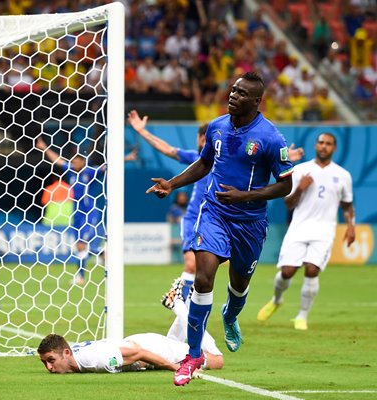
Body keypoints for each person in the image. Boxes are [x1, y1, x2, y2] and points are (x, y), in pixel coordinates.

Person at [146, 71, 294, 386]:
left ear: (257, 101)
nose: (232, 96)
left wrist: (247, 196)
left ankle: (230, 315)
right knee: (202, 278)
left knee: (238, 286)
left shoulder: (270, 138)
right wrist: (171, 184)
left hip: (250, 223)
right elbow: (203, 164)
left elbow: (285, 186)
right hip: (214, 213)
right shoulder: (216, 127)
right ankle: (194, 354)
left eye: (240, 93)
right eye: (232, 90)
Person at [127, 110, 303, 305]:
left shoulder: (232, 156)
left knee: (220, 277)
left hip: (228, 218)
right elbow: (168, 149)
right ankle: (179, 300)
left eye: (202, 136)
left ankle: (180, 307)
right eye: (200, 136)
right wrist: (142, 132)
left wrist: (282, 158)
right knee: (193, 266)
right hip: (198, 216)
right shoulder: (199, 158)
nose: (201, 140)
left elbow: (268, 165)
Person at [257, 133, 355, 330]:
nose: (323, 146)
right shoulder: (301, 170)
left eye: (328, 144)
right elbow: (288, 203)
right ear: (315, 146)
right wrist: (300, 188)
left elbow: (347, 205)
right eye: (320, 143)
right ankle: (277, 301)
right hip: (299, 228)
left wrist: (351, 226)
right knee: (287, 271)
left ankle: (302, 315)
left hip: (325, 231)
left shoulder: (343, 175)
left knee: (312, 270)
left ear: (334, 148)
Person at [37, 292, 223, 374]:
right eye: (45, 362)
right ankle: (186, 302)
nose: (49, 368)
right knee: (172, 343)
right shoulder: (73, 353)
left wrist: (176, 368)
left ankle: (178, 305)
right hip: (137, 343)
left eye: (51, 361)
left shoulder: (96, 359)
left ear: (66, 353)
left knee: (217, 360)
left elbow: (139, 353)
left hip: (150, 348)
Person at [36, 137, 105, 285]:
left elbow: (105, 166)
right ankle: (99, 253)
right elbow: (58, 160)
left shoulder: (90, 172)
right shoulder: (71, 171)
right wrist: (44, 148)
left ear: (83, 161)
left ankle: (82, 275)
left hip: (89, 212)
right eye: (72, 161)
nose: (73, 163)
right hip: (77, 213)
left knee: (81, 244)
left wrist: (127, 158)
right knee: (79, 247)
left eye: (76, 161)